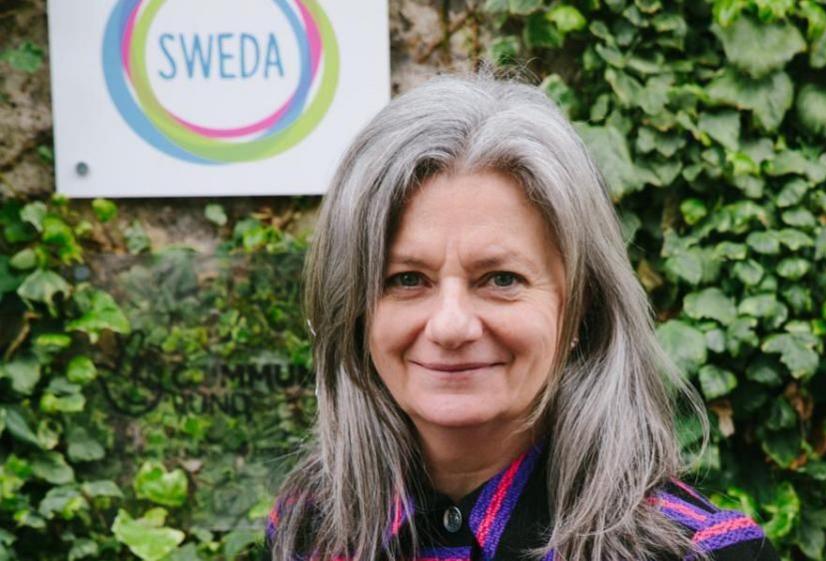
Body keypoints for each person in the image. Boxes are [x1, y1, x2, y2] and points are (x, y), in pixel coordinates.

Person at [267, 72, 779, 561]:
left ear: (582, 307)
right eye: (406, 279)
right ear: (353, 312)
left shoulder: (695, 553)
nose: (450, 326)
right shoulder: (306, 529)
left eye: (501, 279)